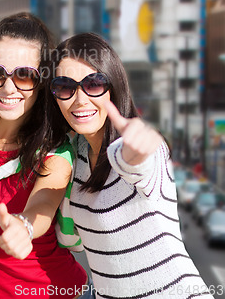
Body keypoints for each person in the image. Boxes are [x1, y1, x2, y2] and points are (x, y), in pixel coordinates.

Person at [48, 32, 212, 298]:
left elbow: (137, 162)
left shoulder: (135, 149)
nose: (79, 100)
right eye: (65, 87)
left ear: (114, 85)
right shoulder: (72, 159)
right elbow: (71, 239)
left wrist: (136, 150)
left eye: (94, 83)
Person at [0, 13, 89, 299]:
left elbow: (44, 200)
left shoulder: (54, 151)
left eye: (24, 75)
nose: (8, 88)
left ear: (42, 81)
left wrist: (25, 226)